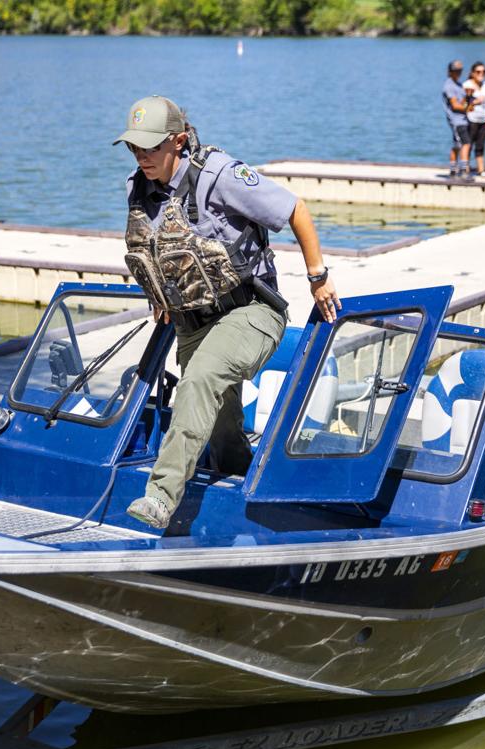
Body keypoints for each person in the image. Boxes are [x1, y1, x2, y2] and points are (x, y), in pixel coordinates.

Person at [115, 96, 340, 529]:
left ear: (178, 141)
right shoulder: (138, 185)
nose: (141, 156)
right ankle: (240, 480)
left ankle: (160, 498)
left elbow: (295, 209)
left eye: (150, 146)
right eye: (133, 147)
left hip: (252, 311)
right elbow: (155, 248)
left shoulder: (220, 176)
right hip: (193, 323)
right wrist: (160, 294)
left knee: (198, 381)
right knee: (219, 428)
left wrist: (318, 275)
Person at [442, 60, 471, 178]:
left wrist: (468, 96)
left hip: (462, 119)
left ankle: (453, 171)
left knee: (457, 145)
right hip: (456, 121)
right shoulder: (448, 85)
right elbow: (455, 106)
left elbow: (462, 103)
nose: (458, 73)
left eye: (460, 70)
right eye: (455, 70)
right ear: (450, 71)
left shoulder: (458, 85)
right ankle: (463, 171)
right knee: (466, 143)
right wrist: (468, 108)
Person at [465, 62, 485, 177]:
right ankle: (465, 168)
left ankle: (481, 169)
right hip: (472, 119)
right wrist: (475, 102)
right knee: (468, 144)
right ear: (472, 73)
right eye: (478, 72)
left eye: (483, 72)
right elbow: (464, 103)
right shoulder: (467, 85)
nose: (481, 74)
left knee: (481, 145)